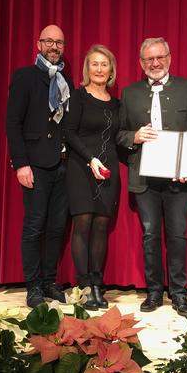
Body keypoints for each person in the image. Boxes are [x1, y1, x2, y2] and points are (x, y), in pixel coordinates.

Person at [117, 37, 187, 316]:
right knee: (150, 235)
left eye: (160, 57)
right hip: (144, 179)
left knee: (178, 235)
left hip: (178, 179)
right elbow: (118, 134)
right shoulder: (129, 94)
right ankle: (154, 292)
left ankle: (178, 293)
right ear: (141, 63)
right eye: (149, 59)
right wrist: (134, 136)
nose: (155, 63)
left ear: (169, 58)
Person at [6, 24, 74, 308]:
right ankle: (33, 286)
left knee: (57, 227)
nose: (54, 47)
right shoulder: (25, 77)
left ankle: (49, 282)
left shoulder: (66, 80)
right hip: (35, 165)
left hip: (62, 164)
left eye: (59, 42)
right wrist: (21, 163)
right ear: (38, 44)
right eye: (49, 41)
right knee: (34, 227)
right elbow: (13, 123)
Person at [64, 45, 120, 310]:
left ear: (111, 70)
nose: (99, 69)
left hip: (109, 169)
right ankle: (84, 286)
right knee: (83, 224)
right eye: (94, 64)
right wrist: (90, 159)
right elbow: (70, 133)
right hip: (81, 167)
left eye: (104, 64)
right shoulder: (78, 97)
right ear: (88, 69)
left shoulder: (117, 103)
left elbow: (120, 138)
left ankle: (97, 284)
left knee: (100, 226)